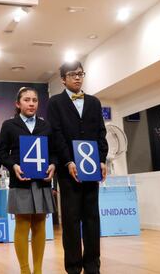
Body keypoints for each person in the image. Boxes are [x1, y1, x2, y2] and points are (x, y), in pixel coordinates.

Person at [47, 61, 108, 274]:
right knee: (71, 221)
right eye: (72, 74)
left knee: (92, 219)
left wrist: (101, 160)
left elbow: (101, 133)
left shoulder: (94, 102)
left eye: (80, 74)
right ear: (63, 79)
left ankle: (93, 266)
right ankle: (73, 268)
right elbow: (56, 135)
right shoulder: (55, 102)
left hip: (92, 170)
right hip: (68, 171)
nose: (77, 78)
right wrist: (68, 161)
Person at [0, 87, 57, 274]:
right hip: (20, 181)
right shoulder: (9, 125)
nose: (31, 103)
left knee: (40, 224)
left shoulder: (46, 125)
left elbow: (54, 151)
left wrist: (53, 165)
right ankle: (25, 270)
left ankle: (38, 270)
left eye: (34, 100)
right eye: (26, 100)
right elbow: (1, 153)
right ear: (18, 103)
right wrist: (13, 166)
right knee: (22, 225)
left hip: (42, 181)